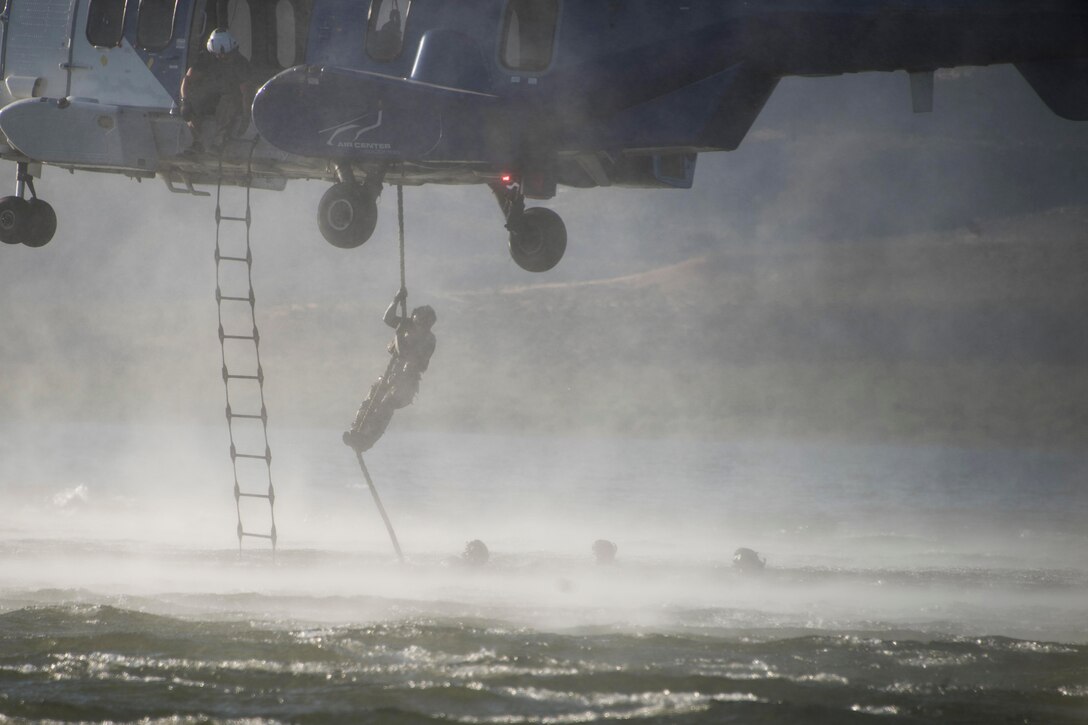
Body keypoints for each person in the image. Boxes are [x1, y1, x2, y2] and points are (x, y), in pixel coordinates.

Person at [343, 288, 437, 452]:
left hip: (406, 384)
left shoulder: (428, 340)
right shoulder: (409, 325)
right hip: (391, 377)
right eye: (417, 321)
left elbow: (406, 354)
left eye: (423, 323)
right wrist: (396, 300)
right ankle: (356, 431)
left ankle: (367, 440)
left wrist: (399, 336)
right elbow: (388, 319)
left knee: (386, 405)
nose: (419, 326)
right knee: (372, 397)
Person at [179, 28, 252, 151]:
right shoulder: (206, 60)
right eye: (220, 55)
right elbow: (187, 80)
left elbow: (246, 92)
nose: (223, 57)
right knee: (194, 100)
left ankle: (218, 143)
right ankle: (198, 143)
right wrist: (184, 102)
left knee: (229, 102)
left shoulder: (241, 63)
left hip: (230, 97)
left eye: (227, 55)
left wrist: (246, 116)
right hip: (211, 94)